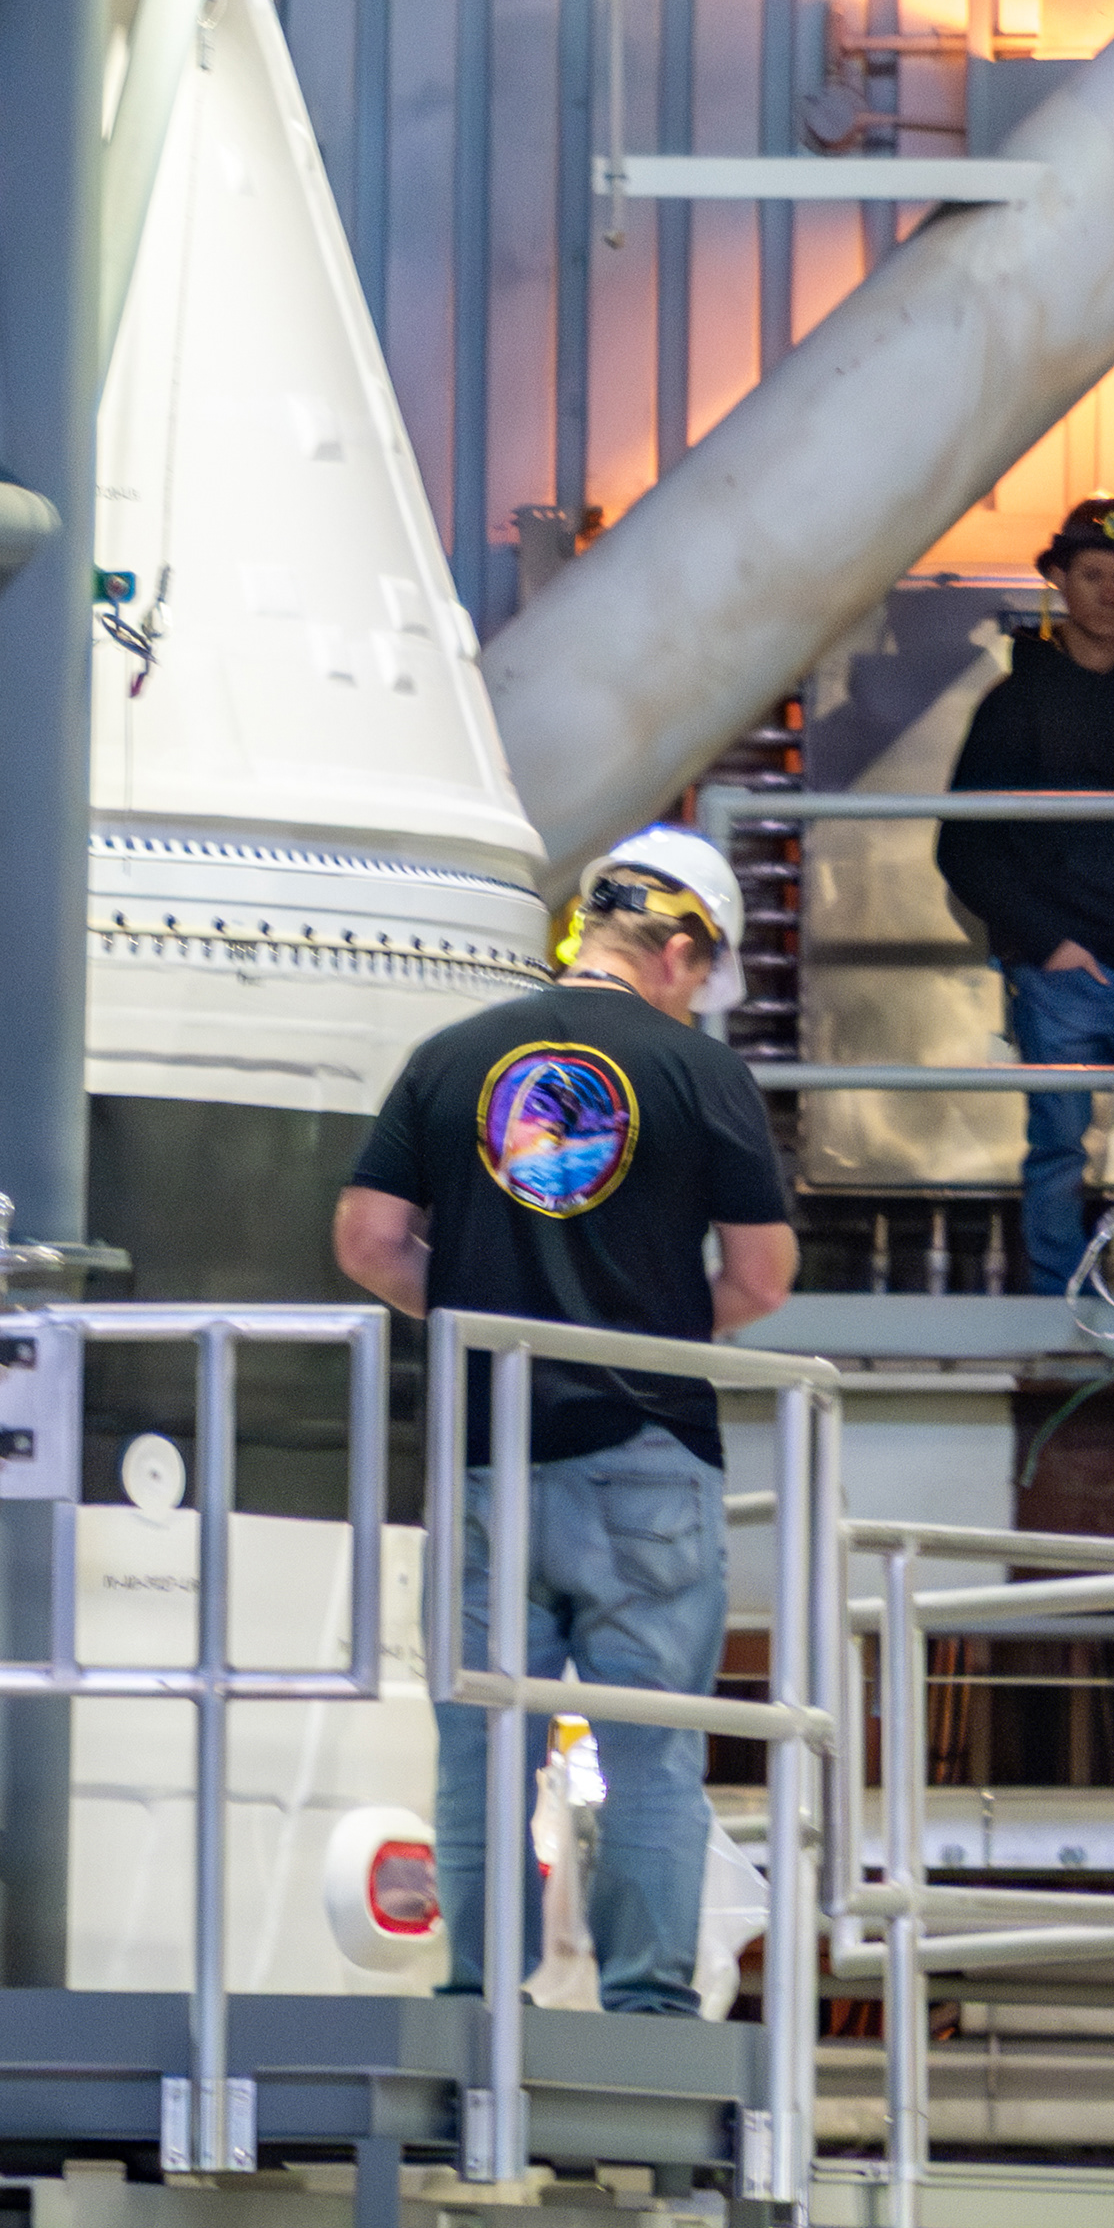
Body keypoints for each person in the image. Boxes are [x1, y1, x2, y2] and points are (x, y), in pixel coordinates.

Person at [335, 829, 798, 2020]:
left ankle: (480, 1996)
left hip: (490, 1458)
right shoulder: (699, 1074)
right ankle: (644, 2006)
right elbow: (761, 1277)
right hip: (647, 1457)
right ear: (682, 950)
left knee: (483, 1744)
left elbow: (369, 1241)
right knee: (647, 1748)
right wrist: (647, 1322)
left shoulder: (453, 1058)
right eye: (705, 974)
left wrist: (492, 1310)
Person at [934, 495, 1114, 1294]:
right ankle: (1057, 1309)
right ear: (1058, 580)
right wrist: (1049, 943)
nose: (1110, 594)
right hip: (1064, 973)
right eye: (1093, 575)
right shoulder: (1016, 703)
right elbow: (961, 844)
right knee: (1061, 1147)